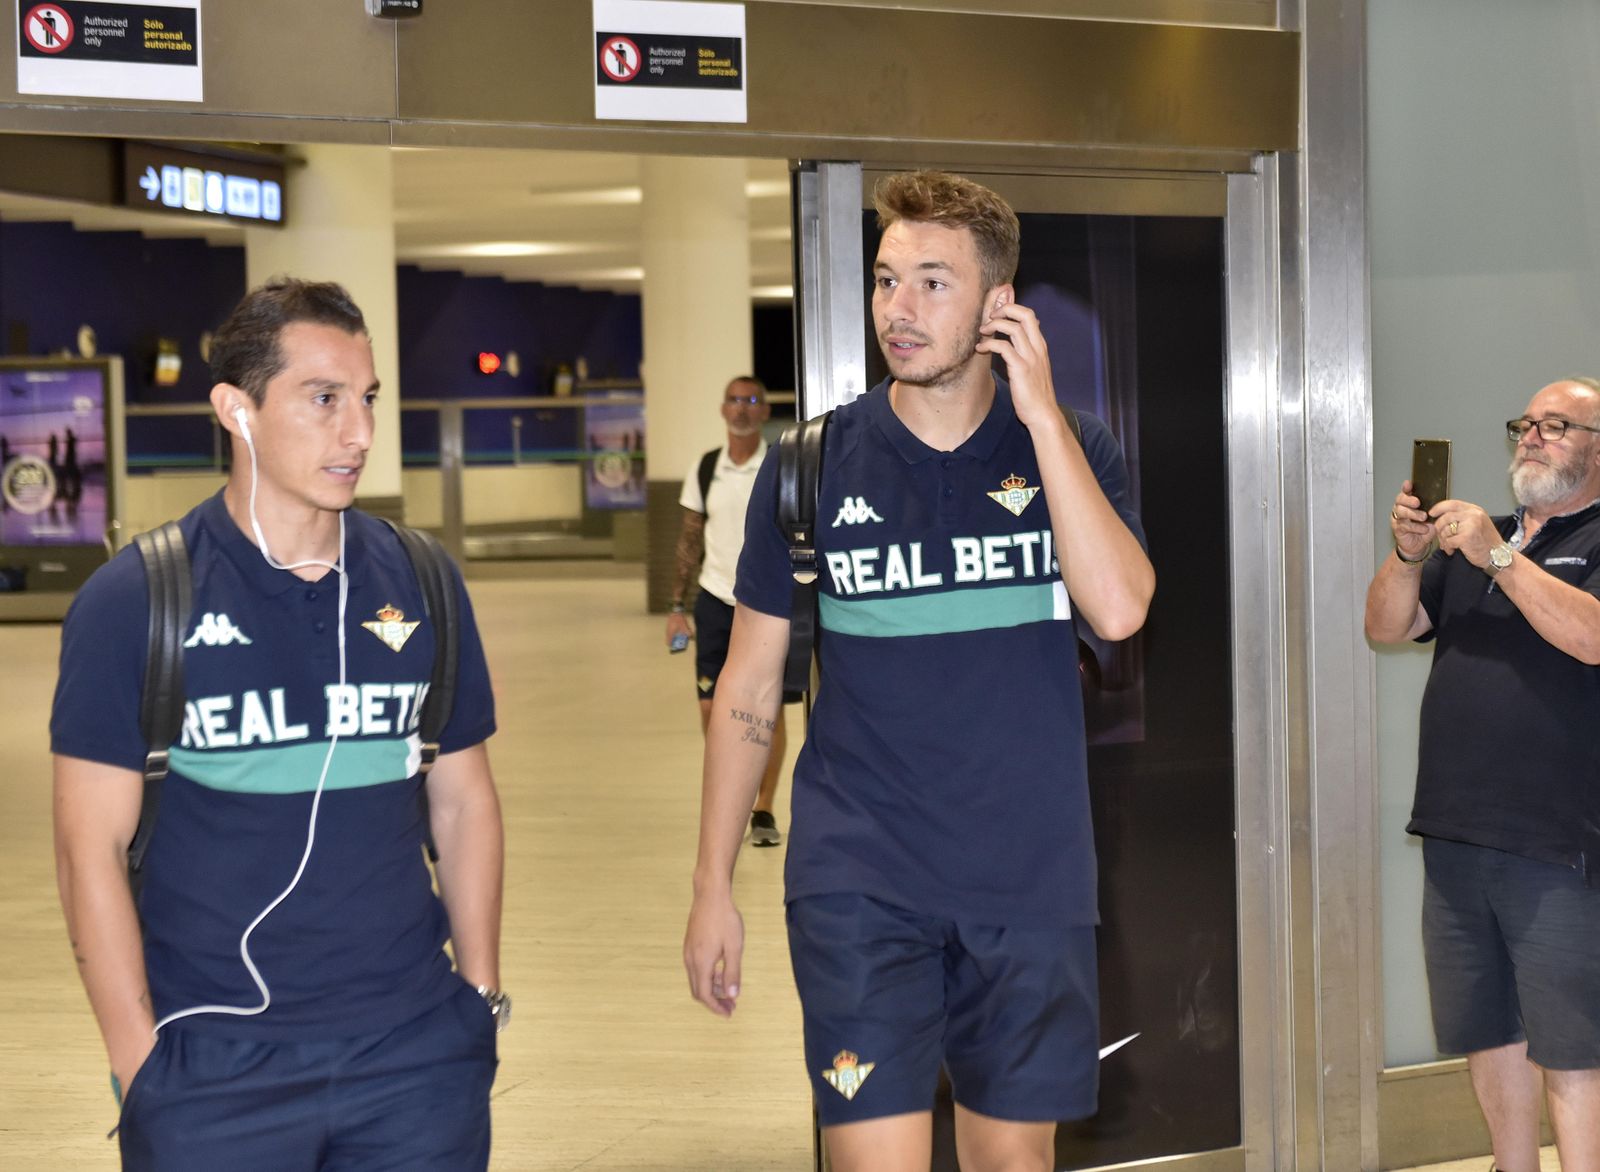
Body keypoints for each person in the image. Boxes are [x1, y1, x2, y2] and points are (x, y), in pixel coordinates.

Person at [683, 171, 1154, 1172]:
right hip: (859, 879)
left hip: (1027, 878)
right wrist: (710, 884)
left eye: (932, 282)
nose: (898, 307)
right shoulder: (811, 466)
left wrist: (1042, 419)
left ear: (998, 305)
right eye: (886, 279)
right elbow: (750, 692)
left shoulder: (1072, 450)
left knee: (1012, 1160)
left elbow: (1118, 609)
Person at [51, 278, 507, 1171]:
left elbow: (462, 802)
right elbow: (86, 849)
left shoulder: (422, 581)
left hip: (415, 1062)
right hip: (213, 1066)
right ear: (237, 410)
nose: (360, 432)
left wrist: (479, 998)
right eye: (324, 399)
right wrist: (139, 1064)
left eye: (368, 398)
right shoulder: (136, 600)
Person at [1365, 378, 1600, 1172]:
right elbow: (1387, 624)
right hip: (1456, 832)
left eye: (1556, 425)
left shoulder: (1560, 541)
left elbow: (1591, 638)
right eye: (1525, 424)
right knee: (1486, 1028)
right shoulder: (1478, 541)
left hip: (1560, 841)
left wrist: (1498, 558)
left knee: (1573, 1042)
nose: (1531, 436)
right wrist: (1410, 554)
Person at [665, 374, 788, 846]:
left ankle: (763, 808)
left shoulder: (778, 464)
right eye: (734, 400)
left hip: (766, 604)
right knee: (711, 706)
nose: (741, 408)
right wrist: (677, 606)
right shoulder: (705, 468)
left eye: (751, 400)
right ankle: (734, 791)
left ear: (764, 411)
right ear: (723, 409)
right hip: (714, 599)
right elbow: (689, 537)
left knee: (769, 708)